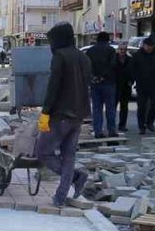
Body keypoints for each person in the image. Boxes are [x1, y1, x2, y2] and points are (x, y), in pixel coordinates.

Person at [36, 22, 91, 207]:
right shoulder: (83, 57)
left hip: (60, 115)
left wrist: (45, 112)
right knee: (68, 156)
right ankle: (60, 197)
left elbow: (54, 87)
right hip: (79, 114)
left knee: (42, 152)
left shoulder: (60, 56)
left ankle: (76, 176)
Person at [84, 30, 119, 138]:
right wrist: (103, 76)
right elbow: (113, 65)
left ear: (97, 40)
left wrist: (94, 77)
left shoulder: (90, 51)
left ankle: (98, 131)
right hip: (108, 83)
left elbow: (87, 67)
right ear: (107, 40)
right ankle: (112, 131)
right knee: (110, 108)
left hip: (95, 84)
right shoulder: (111, 50)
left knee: (96, 108)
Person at [131, 33, 155, 135]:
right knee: (142, 106)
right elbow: (133, 69)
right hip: (142, 84)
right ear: (144, 45)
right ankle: (141, 126)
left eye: (151, 47)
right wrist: (133, 80)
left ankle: (150, 122)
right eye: (147, 47)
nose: (149, 49)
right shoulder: (138, 55)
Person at [115, 42, 134, 134]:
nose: (122, 51)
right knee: (112, 107)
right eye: (121, 49)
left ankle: (122, 125)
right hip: (115, 86)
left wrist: (131, 81)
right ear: (118, 50)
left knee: (124, 107)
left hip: (126, 86)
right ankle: (112, 125)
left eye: (124, 50)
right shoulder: (113, 58)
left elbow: (134, 72)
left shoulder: (130, 60)